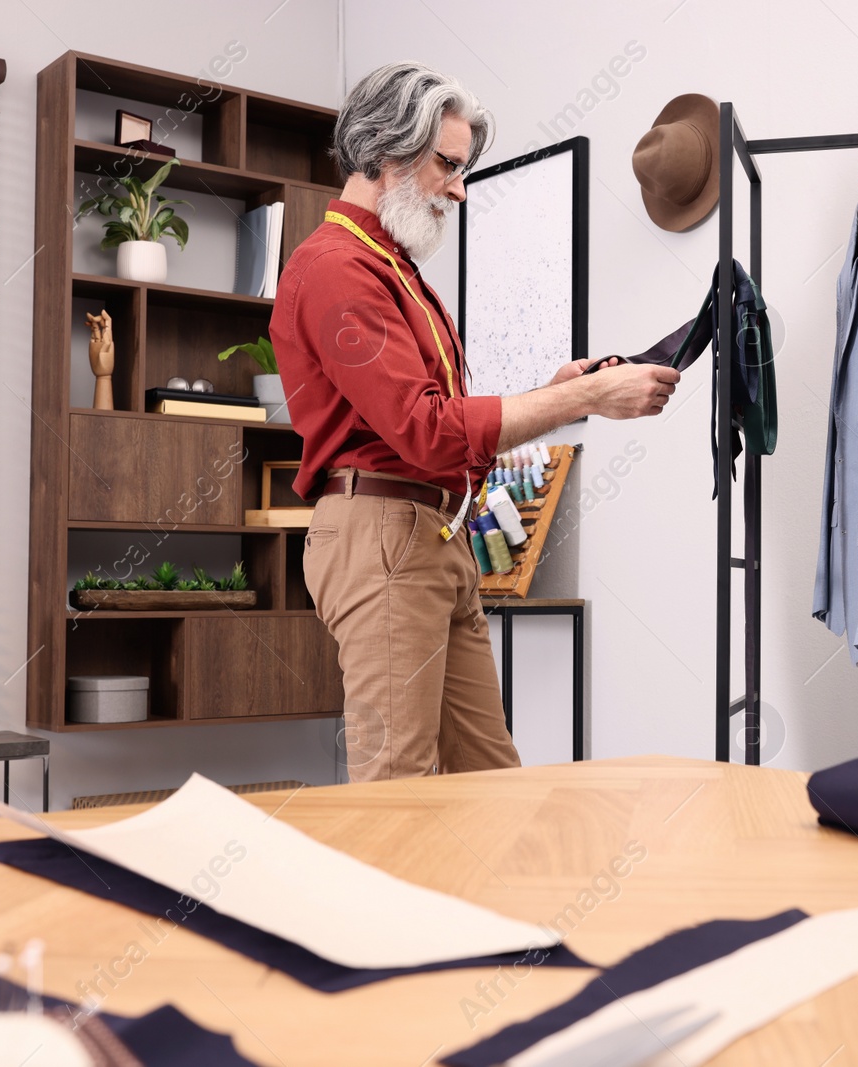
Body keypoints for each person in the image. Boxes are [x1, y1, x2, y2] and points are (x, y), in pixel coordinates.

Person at [270, 61, 679, 782]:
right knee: (399, 786)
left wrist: (550, 393)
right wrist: (582, 401)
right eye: (448, 166)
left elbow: (439, 428)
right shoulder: (336, 268)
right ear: (382, 151)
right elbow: (424, 430)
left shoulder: (389, 266)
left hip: (431, 535)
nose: (461, 189)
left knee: (487, 780)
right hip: (385, 536)